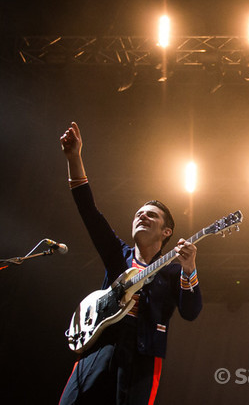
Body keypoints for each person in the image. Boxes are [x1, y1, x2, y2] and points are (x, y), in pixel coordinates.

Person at [59, 122, 202, 405]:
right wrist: (75, 158)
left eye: (152, 215)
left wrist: (189, 270)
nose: (142, 217)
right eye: (139, 213)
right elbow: (89, 212)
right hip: (99, 348)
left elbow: (191, 311)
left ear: (167, 232)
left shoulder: (173, 270)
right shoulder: (118, 257)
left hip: (142, 357)